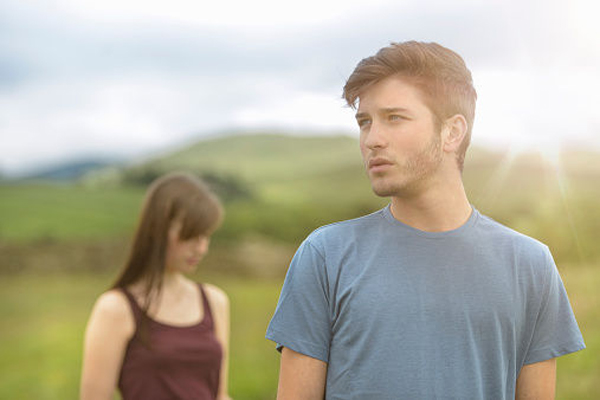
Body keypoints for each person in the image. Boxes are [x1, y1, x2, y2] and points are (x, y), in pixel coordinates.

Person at [266, 41, 585, 399]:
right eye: (364, 122)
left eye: (394, 118)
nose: (372, 139)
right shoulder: (325, 256)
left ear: (452, 132)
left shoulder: (530, 265)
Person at [80, 172, 231, 400]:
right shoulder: (115, 308)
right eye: (190, 235)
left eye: (205, 236)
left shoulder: (214, 300)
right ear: (157, 229)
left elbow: (220, 395)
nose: (201, 249)